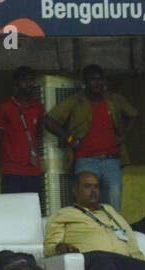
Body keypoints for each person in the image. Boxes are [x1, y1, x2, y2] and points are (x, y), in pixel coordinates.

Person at [42, 64, 137, 212]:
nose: (98, 83)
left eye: (100, 79)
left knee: (113, 204)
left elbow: (133, 114)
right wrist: (69, 139)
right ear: (85, 82)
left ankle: (112, 234)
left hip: (111, 159)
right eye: (93, 80)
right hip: (86, 160)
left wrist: (123, 136)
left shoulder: (113, 99)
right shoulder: (75, 101)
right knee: (86, 204)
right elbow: (48, 121)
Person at [0, 66, 45, 197]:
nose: (29, 84)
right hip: (12, 171)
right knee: (11, 209)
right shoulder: (5, 108)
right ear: (16, 83)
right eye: (25, 80)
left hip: (33, 170)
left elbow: (38, 133)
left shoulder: (38, 108)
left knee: (33, 208)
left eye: (32, 80)